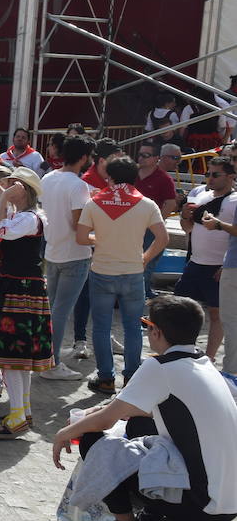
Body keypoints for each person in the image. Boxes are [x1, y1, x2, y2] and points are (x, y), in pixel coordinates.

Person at [53, 295, 237, 521]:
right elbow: (135, 410)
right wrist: (103, 410)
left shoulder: (159, 367)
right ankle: (153, 506)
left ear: (156, 331)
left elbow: (106, 420)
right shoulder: (203, 362)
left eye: (147, 326)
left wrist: (65, 432)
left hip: (201, 509)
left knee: (91, 438)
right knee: (138, 425)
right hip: (228, 505)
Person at [0, 168, 55, 439]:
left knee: (11, 356)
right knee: (19, 357)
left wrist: (3, 194)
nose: (8, 187)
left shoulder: (27, 220)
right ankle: (22, 410)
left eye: (13, 184)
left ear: (22, 190)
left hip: (17, 288)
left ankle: (19, 412)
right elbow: (6, 217)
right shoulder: (31, 217)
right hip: (23, 286)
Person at [78, 157, 167, 394]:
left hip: (102, 272)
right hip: (133, 273)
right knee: (131, 328)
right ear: (134, 177)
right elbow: (163, 239)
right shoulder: (147, 204)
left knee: (100, 328)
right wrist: (145, 258)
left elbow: (81, 237)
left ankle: (106, 378)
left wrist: (99, 239)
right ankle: (132, 379)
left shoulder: (94, 203)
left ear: (110, 177)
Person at [39, 136, 95, 381]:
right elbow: (78, 225)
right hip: (74, 255)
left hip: (53, 252)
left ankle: (46, 357)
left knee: (53, 309)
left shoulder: (48, 178)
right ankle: (52, 363)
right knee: (59, 311)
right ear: (83, 158)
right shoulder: (77, 185)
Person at [177, 156, 235, 360]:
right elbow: (187, 229)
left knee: (216, 314)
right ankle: (182, 352)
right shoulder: (199, 194)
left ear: (230, 176)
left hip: (218, 266)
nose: (210, 178)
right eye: (207, 174)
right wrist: (184, 215)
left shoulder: (234, 201)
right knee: (181, 309)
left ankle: (209, 358)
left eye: (215, 174)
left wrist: (227, 265)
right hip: (195, 263)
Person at [135, 140, 179, 297]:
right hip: (129, 227)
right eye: (139, 154)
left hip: (149, 229)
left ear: (156, 158)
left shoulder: (164, 179)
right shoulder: (131, 173)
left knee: (147, 263)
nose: (141, 158)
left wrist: (155, 224)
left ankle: (141, 293)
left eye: (146, 155)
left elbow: (171, 203)